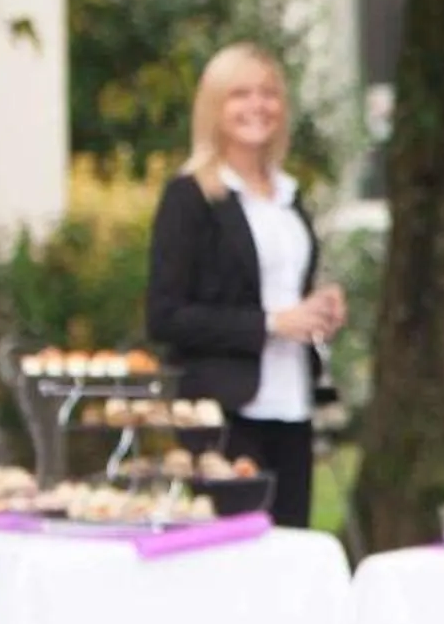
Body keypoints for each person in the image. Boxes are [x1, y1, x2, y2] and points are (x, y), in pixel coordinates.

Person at [146, 44, 342, 529]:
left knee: (291, 547)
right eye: (240, 94)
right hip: (227, 409)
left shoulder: (289, 196)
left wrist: (319, 309)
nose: (257, 106)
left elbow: (275, 286)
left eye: (268, 93)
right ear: (214, 108)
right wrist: (275, 323)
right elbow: (165, 316)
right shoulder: (191, 196)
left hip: (292, 402)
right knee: (233, 557)